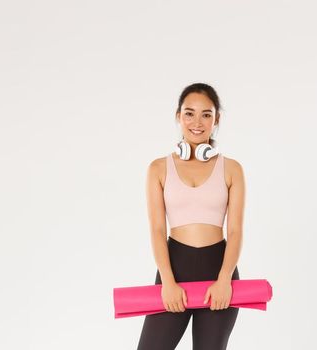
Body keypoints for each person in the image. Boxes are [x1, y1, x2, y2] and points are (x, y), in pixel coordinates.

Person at [137, 83, 246, 350]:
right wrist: (168, 282)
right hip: (175, 268)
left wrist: (224, 280)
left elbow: (235, 231)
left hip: (219, 271)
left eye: (206, 114)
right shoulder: (159, 168)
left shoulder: (232, 169)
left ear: (216, 120)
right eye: (189, 113)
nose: (197, 122)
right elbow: (156, 230)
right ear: (178, 116)